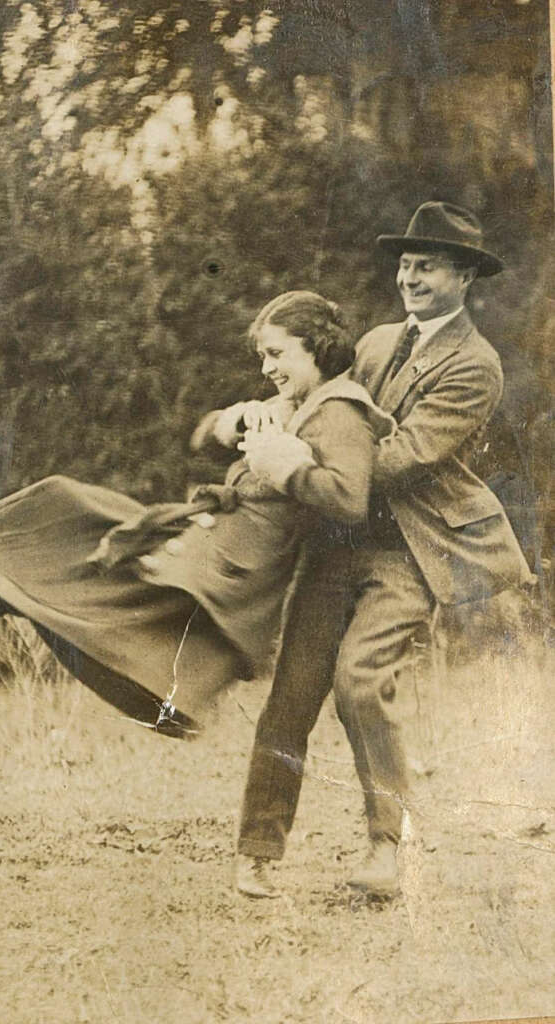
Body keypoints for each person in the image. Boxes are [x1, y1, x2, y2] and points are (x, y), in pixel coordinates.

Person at [0, 291, 391, 737]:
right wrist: (234, 420)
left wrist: (286, 464)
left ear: (318, 348)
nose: (267, 368)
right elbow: (203, 436)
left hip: (218, 580)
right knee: (56, 521)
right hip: (202, 545)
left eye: (277, 353)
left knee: (51, 547)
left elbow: (347, 498)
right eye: (263, 355)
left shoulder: (340, 412)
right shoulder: (291, 401)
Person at [232, 203, 536, 899]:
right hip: (335, 543)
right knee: (293, 695)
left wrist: (295, 463)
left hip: (409, 549)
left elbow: (399, 461)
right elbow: (321, 400)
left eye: (427, 265)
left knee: (363, 681)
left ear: (463, 276)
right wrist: (266, 421)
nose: (410, 277)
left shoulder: (475, 366)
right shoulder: (371, 344)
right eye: (405, 264)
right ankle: (256, 852)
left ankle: (387, 851)